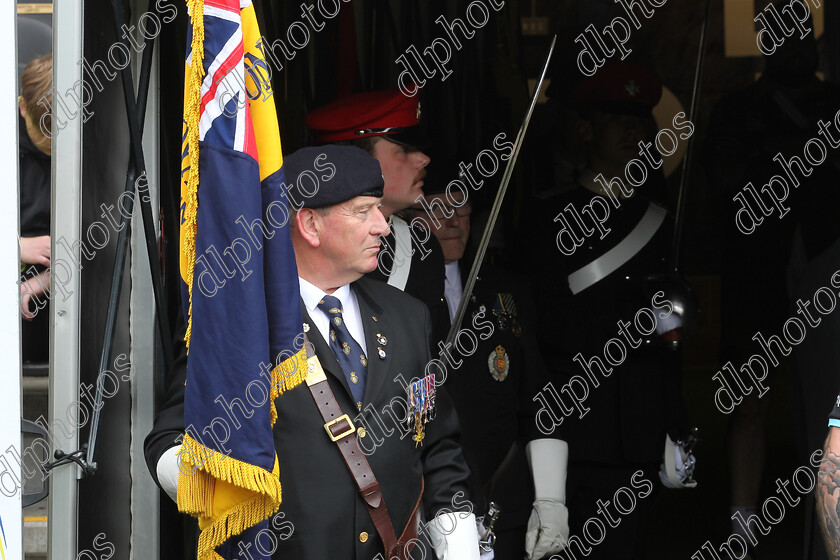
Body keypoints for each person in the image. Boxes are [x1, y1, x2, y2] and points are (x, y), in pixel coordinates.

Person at [145, 145, 481, 559]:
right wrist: (230, 498)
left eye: (380, 210)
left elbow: (437, 446)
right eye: (363, 212)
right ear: (310, 224)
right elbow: (168, 440)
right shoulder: (241, 325)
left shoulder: (408, 317)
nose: (383, 227)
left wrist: (460, 548)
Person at [527, 63, 694, 559]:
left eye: (639, 121)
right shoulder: (547, 215)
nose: (632, 131)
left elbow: (674, 343)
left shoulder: (661, 221)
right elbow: (545, 323)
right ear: (585, 129)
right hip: (572, 427)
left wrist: (677, 425)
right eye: (617, 118)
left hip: (639, 429)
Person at [405, 158, 570, 560]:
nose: (455, 222)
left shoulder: (506, 292)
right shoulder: (393, 296)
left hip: (502, 498)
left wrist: (550, 498)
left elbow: (538, 394)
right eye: (441, 209)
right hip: (424, 504)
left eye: (462, 209)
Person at [305, 89, 450, 347]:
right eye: (404, 149)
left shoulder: (422, 246)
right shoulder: (298, 241)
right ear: (355, 159)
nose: (423, 159)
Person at [18, 52, 53, 364]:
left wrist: (40, 283)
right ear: (21, 107)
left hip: (62, 290)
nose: (49, 144)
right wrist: (16, 247)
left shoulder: (89, 150)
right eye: (41, 134)